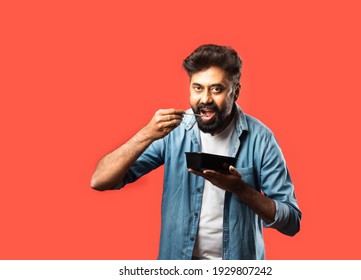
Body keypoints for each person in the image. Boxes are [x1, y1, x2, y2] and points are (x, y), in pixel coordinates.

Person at [91, 44, 301, 260]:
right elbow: (100, 180)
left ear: (236, 91)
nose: (205, 99)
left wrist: (240, 189)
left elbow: (292, 222)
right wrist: (146, 134)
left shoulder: (261, 139)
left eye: (216, 89)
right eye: (198, 88)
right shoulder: (172, 132)